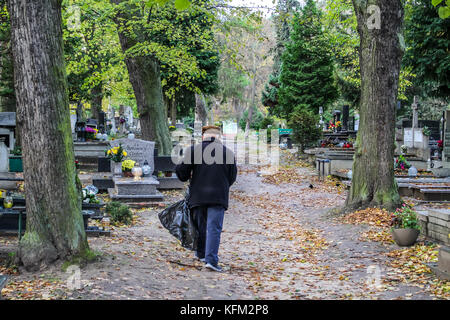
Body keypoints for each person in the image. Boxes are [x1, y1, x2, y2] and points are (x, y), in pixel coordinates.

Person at [175, 125, 237, 272]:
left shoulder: (194, 150)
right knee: (213, 228)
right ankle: (211, 260)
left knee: (200, 226)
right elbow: (232, 177)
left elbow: (181, 173)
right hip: (218, 195)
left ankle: (201, 253)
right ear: (219, 137)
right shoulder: (228, 153)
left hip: (198, 195)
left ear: (204, 136)